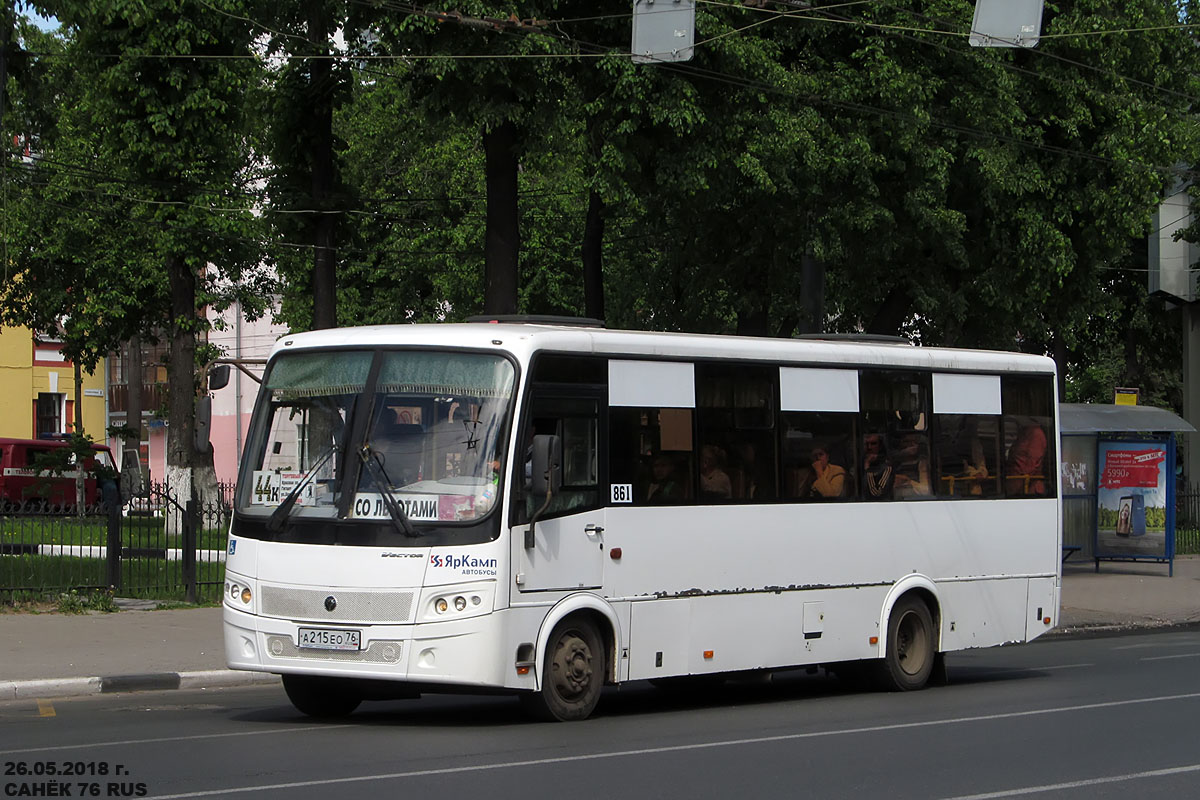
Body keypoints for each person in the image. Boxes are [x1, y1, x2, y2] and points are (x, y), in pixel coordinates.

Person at [1005, 424, 1047, 495]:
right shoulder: (1023, 433)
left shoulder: (1035, 434)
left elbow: (1031, 465)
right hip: (1017, 486)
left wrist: (1016, 484)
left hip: (1029, 490)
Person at [893, 433, 931, 498]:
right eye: (906, 442)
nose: (911, 445)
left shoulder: (922, 463)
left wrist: (908, 481)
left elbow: (925, 490)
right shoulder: (894, 463)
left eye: (914, 442)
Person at [862, 433, 893, 500]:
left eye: (873, 444)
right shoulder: (859, 464)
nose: (869, 447)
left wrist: (868, 469)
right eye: (866, 444)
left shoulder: (887, 467)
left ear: (880, 446)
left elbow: (877, 492)